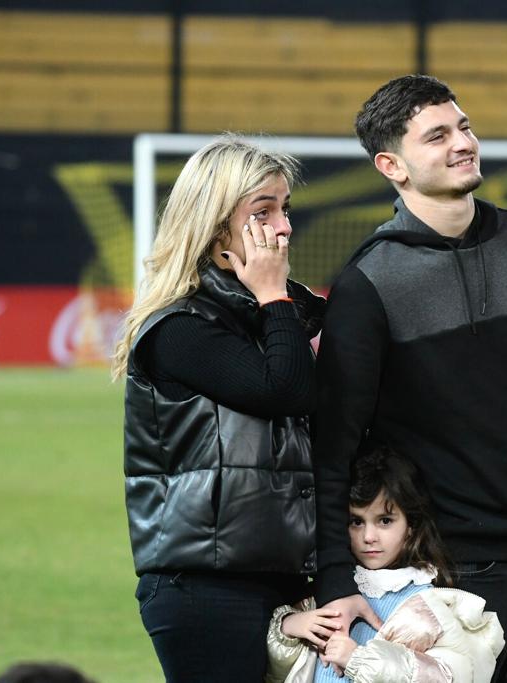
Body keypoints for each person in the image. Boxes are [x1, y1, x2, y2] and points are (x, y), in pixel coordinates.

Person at [312, 75, 507, 682]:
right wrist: (333, 576)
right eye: (437, 136)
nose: (463, 142)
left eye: (464, 126)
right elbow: (335, 449)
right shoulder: (368, 283)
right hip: (447, 574)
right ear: (392, 165)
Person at [110, 135, 332, 683]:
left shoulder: (262, 315)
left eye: (285, 209)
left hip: (281, 578)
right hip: (206, 588)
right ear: (215, 229)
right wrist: (276, 295)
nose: (283, 228)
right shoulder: (178, 328)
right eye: (263, 212)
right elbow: (283, 390)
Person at [267, 445, 504, 683]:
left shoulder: (426, 602)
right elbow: (280, 672)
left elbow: (448, 676)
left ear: (411, 525)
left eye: (385, 520)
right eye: (356, 522)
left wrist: (358, 660)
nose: (369, 536)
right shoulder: (333, 587)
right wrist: (289, 627)